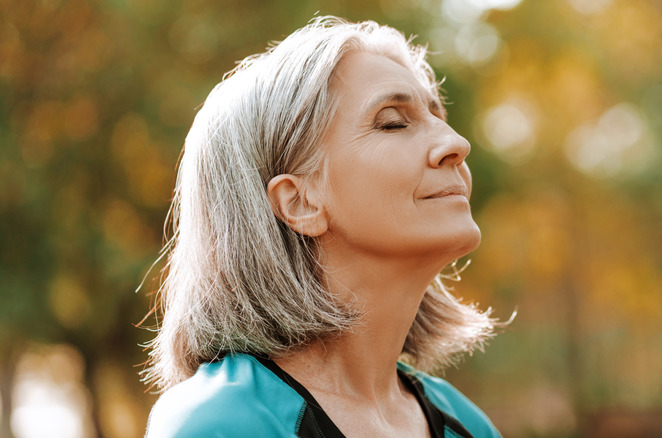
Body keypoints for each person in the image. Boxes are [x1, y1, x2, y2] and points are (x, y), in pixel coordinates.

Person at [143, 16, 502, 438]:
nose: (457, 144)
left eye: (437, 115)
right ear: (300, 202)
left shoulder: (470, 426)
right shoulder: (220, 423)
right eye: (392, 122)